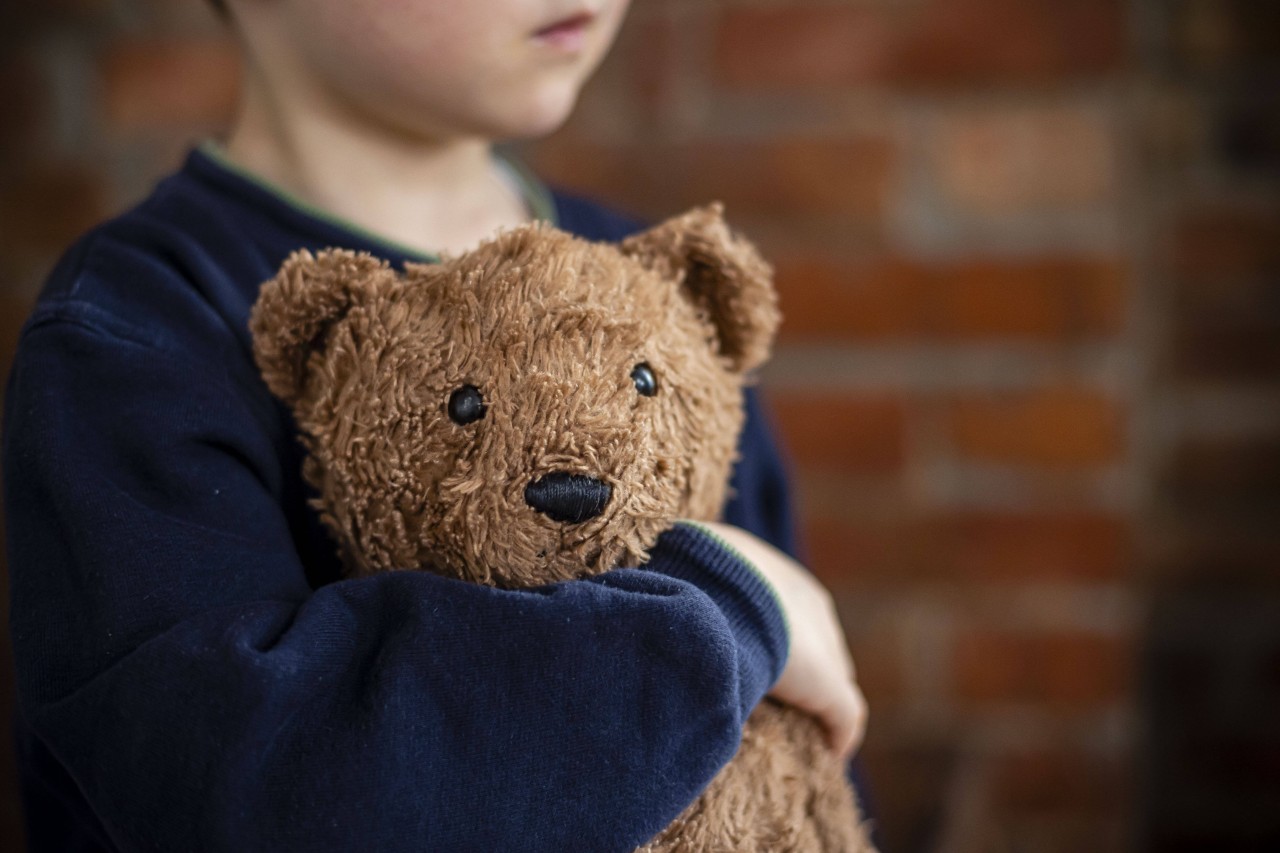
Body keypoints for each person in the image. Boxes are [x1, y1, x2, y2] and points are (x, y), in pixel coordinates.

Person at [1, 0, 869, 849]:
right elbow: (243, 780)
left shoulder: (644, 283)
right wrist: (719, 607)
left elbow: (803, 745)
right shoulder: (134, 333)